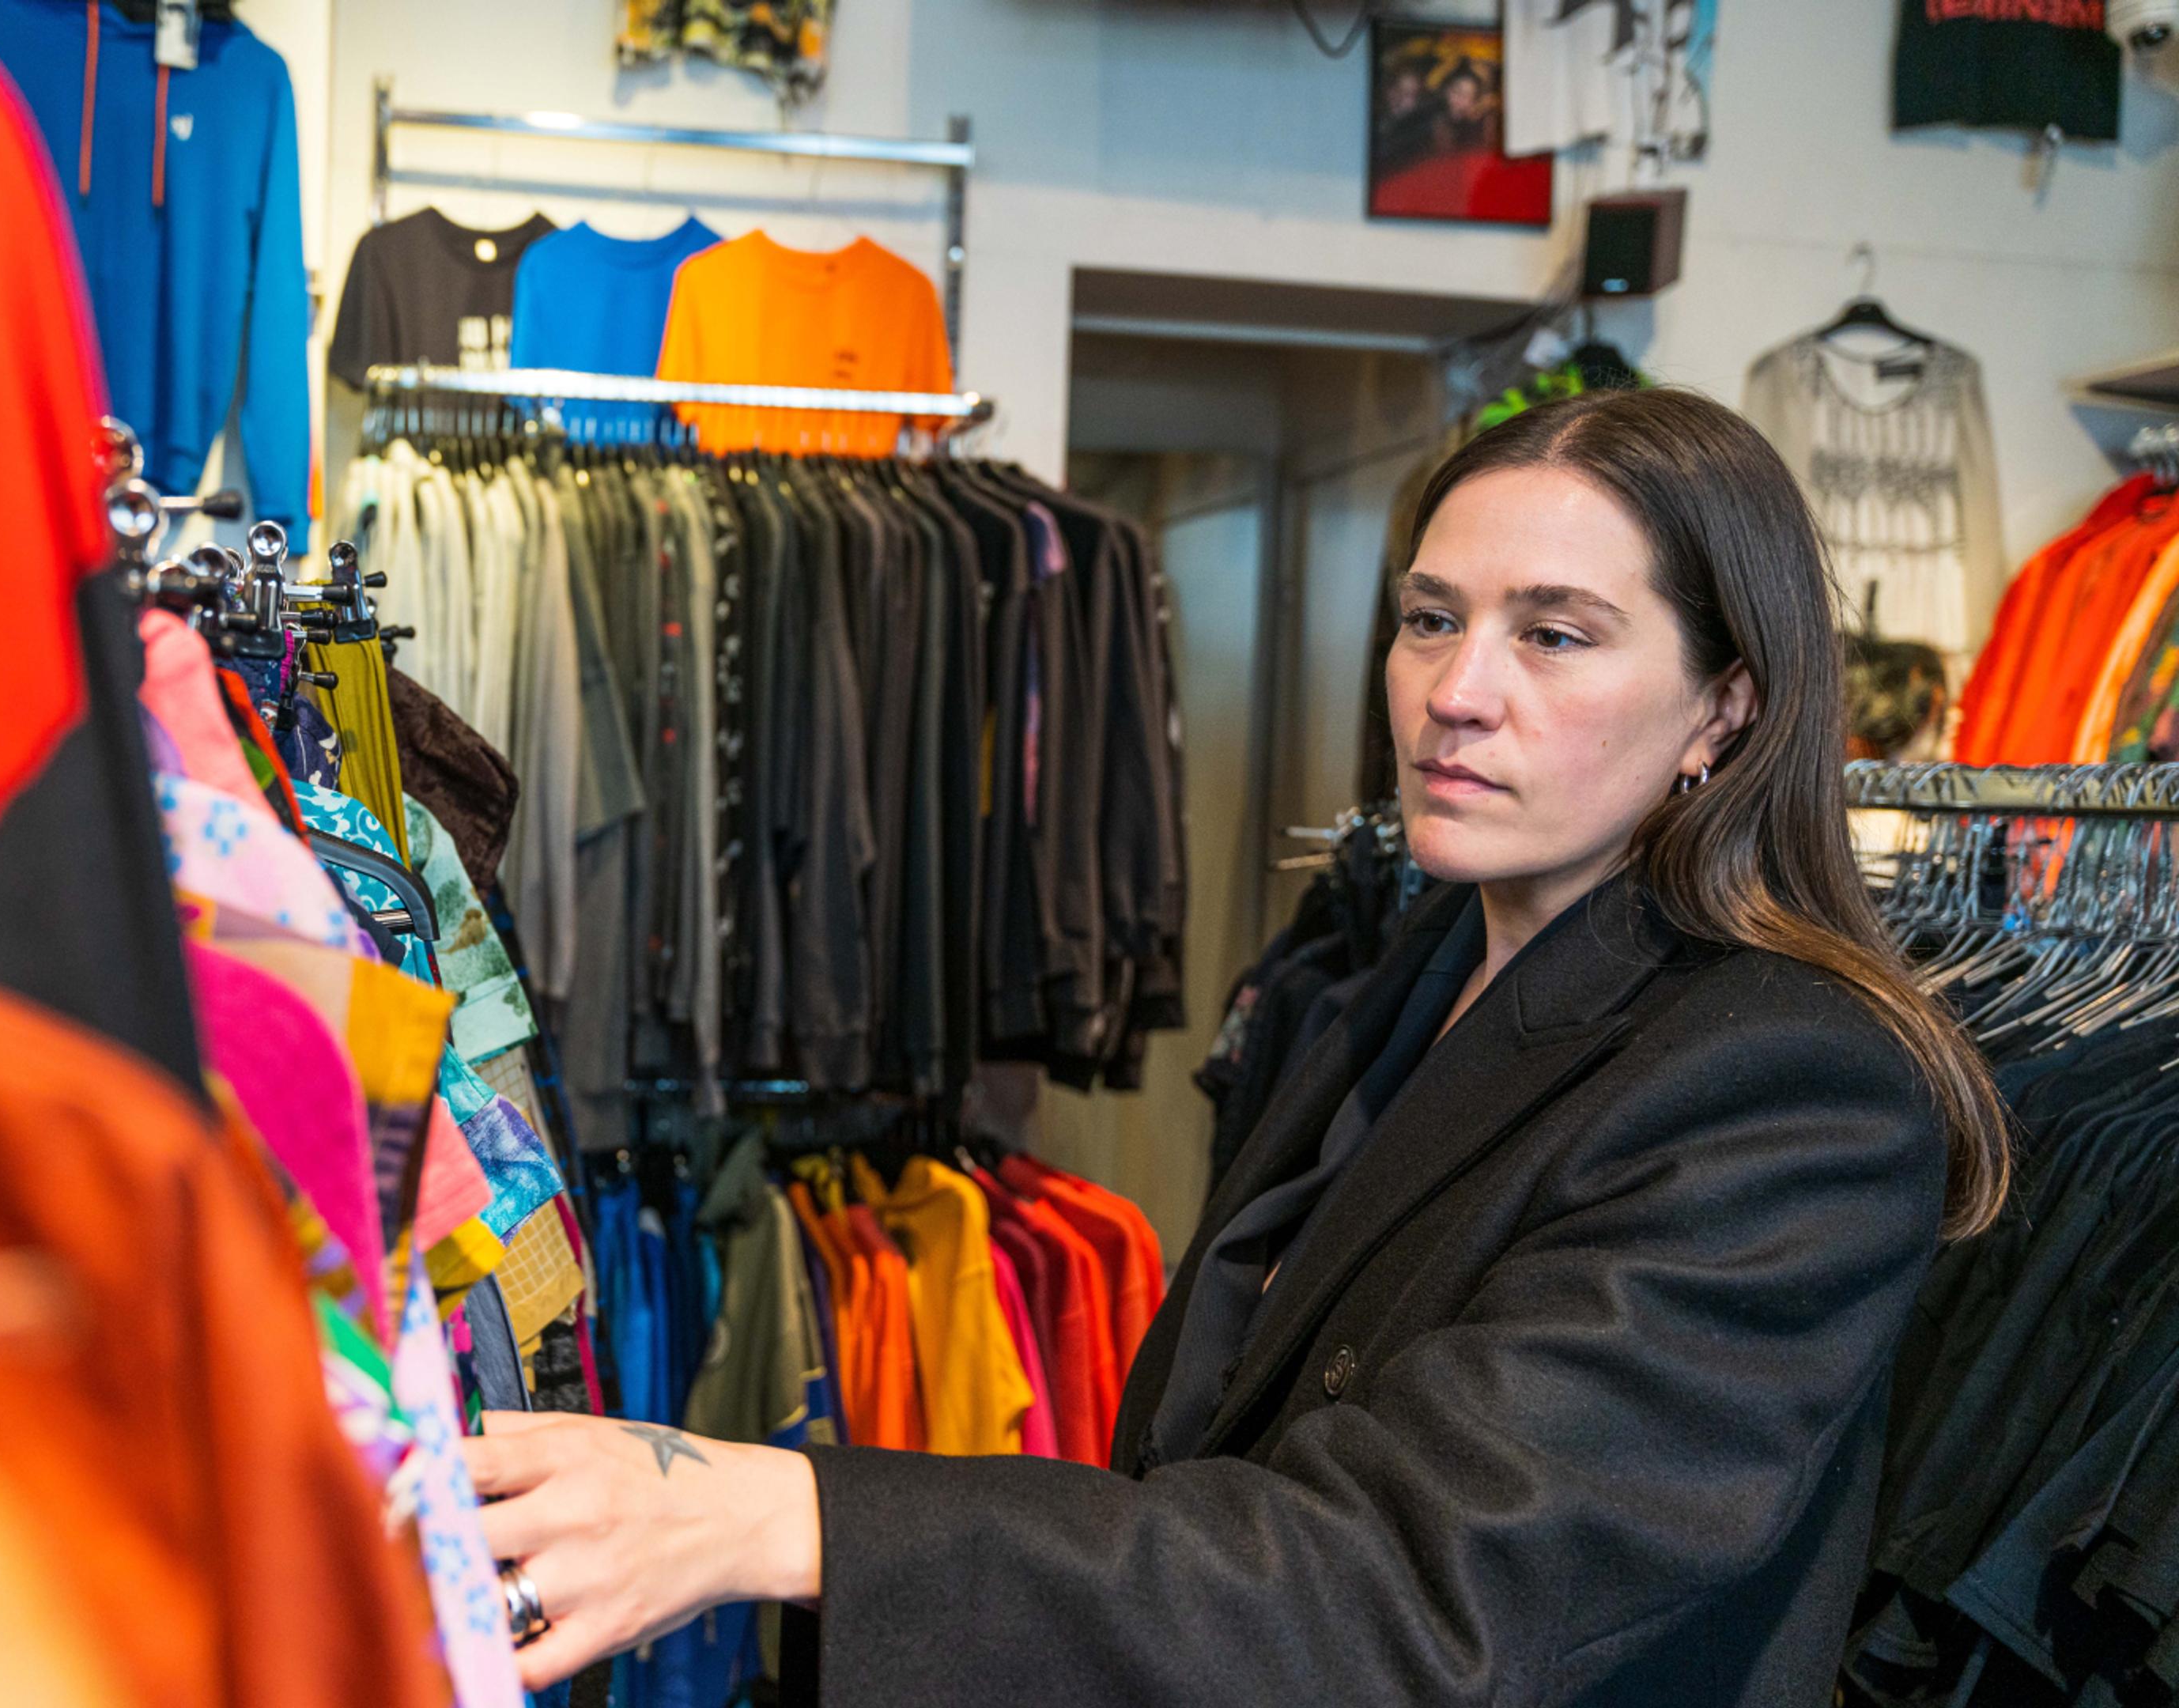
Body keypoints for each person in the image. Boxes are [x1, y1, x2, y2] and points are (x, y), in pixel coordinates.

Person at [459, 387, 2013, 1707]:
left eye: (1557, 636)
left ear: (1723, 711)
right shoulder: (1412, 970)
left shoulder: (1798, 1089)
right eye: (1431, 620)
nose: (1457, 696)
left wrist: (789, 1513)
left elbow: (1414, 1588)